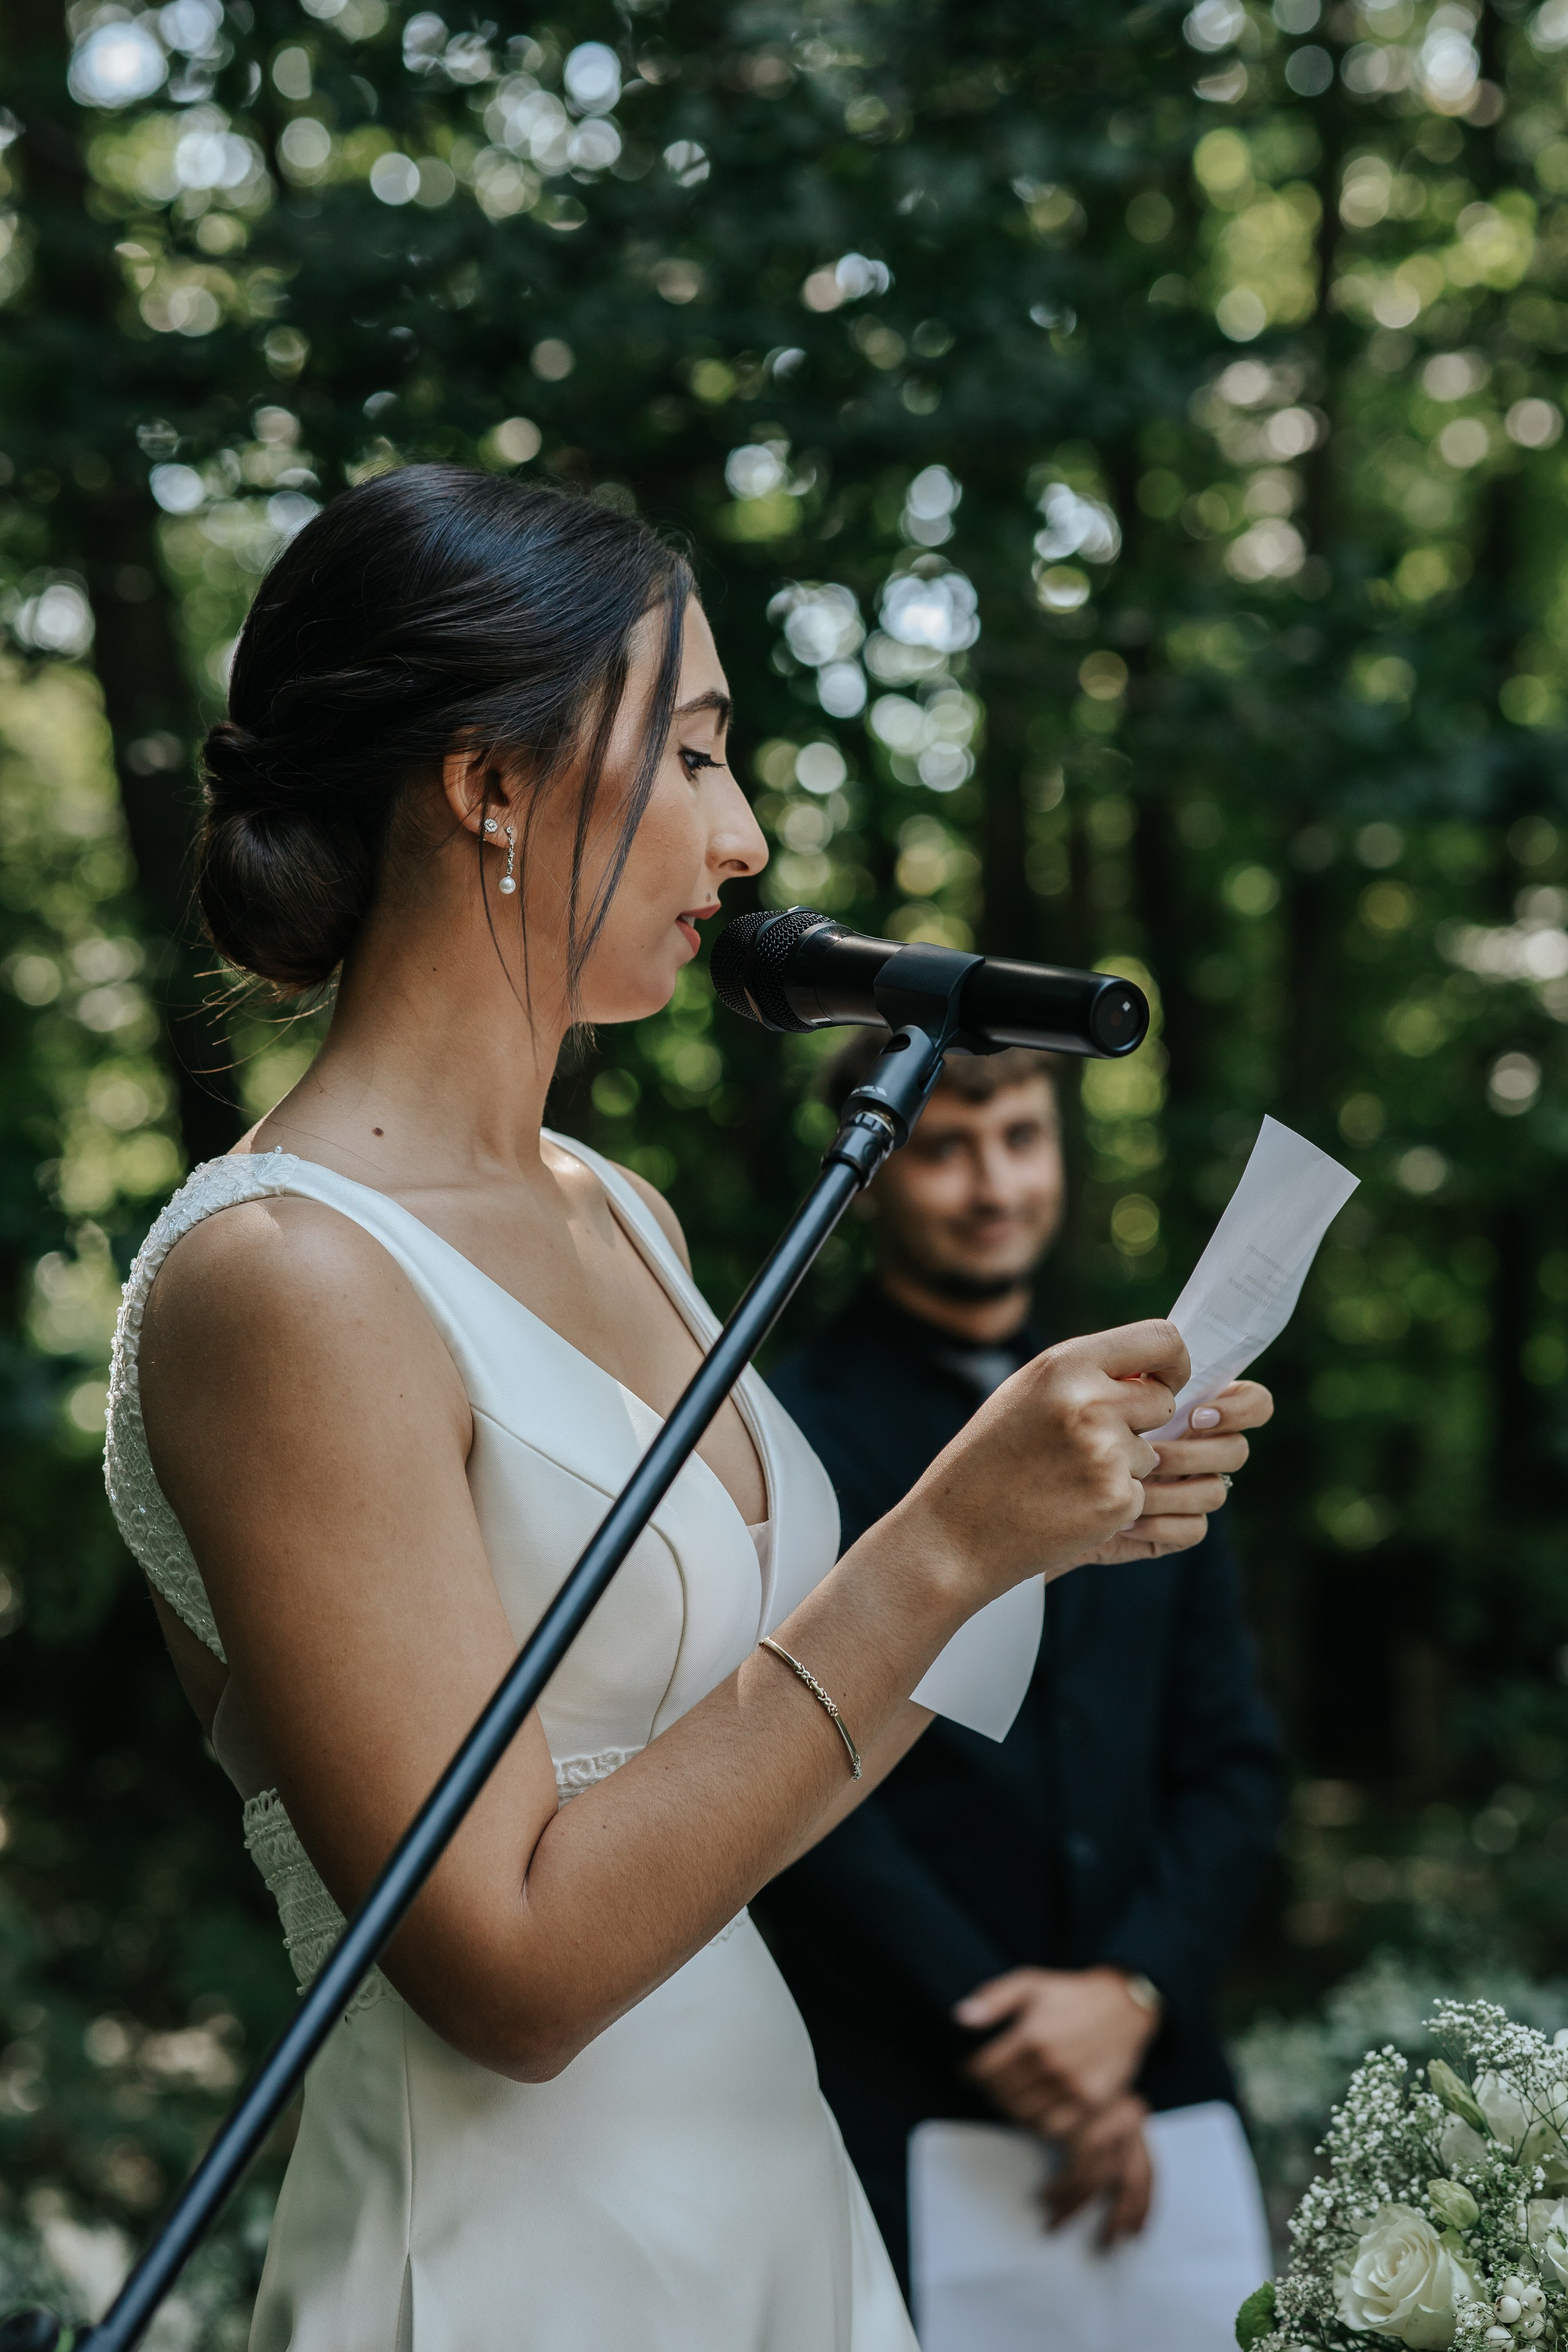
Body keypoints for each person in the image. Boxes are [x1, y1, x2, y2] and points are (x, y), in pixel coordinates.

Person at [103, 465, 1271, 2351]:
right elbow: (512, 1974)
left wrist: (1030, 1541)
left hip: (775, 2204)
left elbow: (756, 1772)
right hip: (512, 2261)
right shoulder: (283, 1278)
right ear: (489, 786)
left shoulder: (610, 1208)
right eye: (700, 755)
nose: (743, 841)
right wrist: (938, 1549)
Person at [755, 1036, 1283, 2307]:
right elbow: (782, 1763)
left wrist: (1129, 1994)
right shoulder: (779, 1430)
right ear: (872, 1175)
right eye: (945, 1148)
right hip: (899, 2085)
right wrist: (1005, 2032)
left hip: (1160, 2081)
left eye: (1020, 1140)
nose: (992, 1184)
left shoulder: (1158, 1407)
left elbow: (1231, 1758)